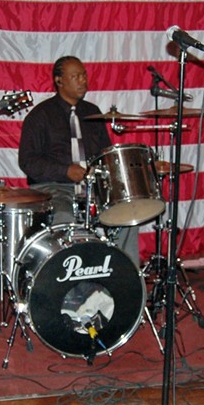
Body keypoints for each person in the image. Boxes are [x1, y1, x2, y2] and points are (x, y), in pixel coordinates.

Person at [18, 56, 138, 260]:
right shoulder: (40, 115)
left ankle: (124, 280)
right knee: (65, 217)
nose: (82, 81)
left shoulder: (93, 113)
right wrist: (65, 170)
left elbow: (105, 154)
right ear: (59, 80)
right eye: (75, 76)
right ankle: (70, 283)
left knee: (126, 216)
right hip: (54, 188)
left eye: (84, 75)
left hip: (92, 190)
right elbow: (28, 161)